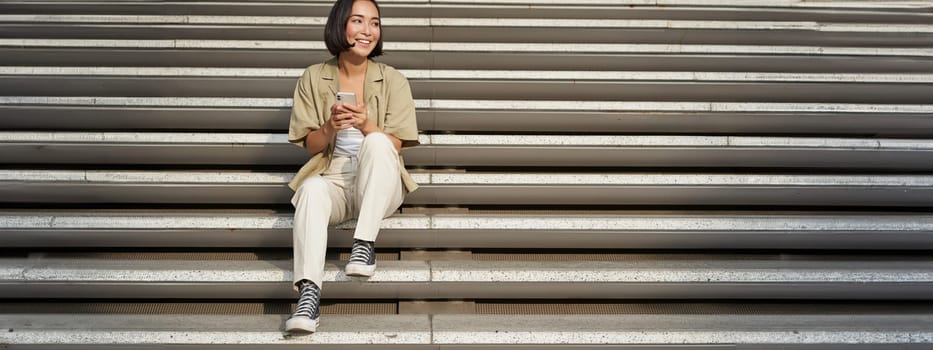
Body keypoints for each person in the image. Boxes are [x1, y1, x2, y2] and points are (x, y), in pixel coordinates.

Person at [284, 0, 419, 334]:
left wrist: (365, 125)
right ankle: (309, 296)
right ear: (340, 25)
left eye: (374, 23)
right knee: (311, 189)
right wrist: (330, 127)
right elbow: (309, 145)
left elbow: (396, 145)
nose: (367, 31)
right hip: (335, 179)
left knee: (376, 142)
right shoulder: (313, 77)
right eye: (358, 21)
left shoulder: (393, 79)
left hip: (381, 181)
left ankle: (364, 245)